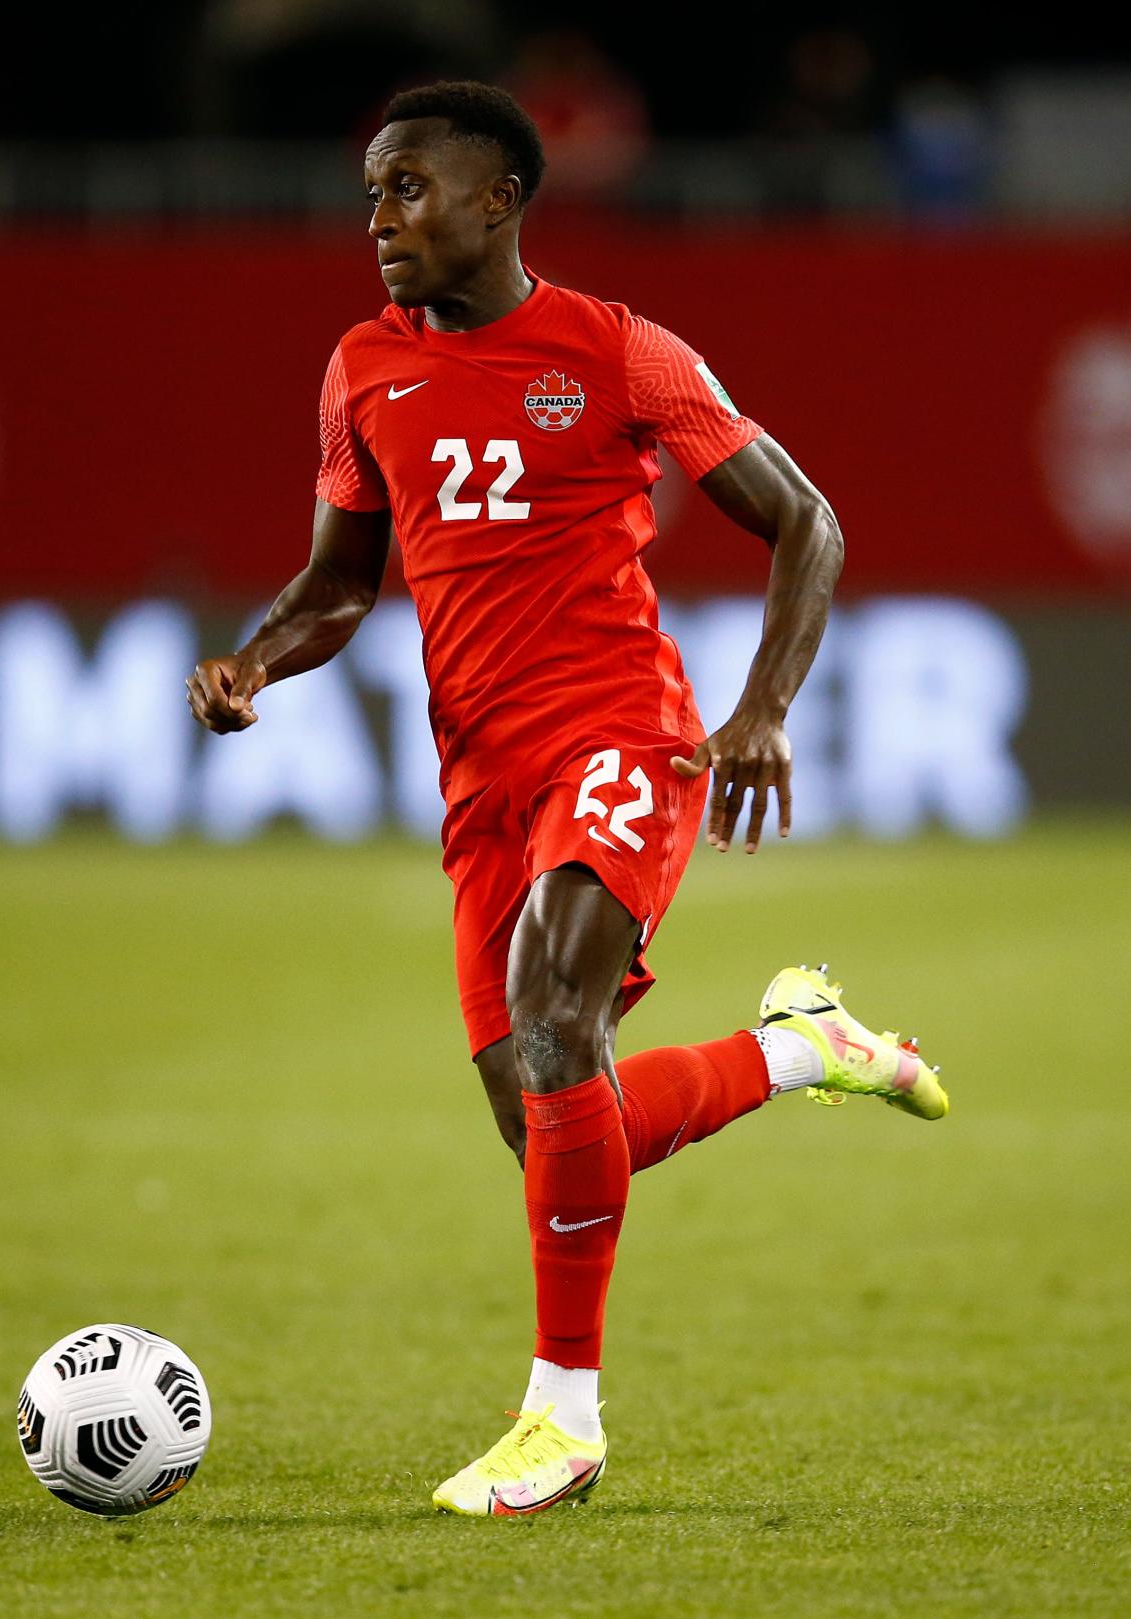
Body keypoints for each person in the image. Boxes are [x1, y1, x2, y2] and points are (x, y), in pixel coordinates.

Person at [187, 80, 948, 1518]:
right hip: (478, 769)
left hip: (617, 732)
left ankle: (562, 1421)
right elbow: (344, 582)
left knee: (553, 1022)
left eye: (408, 186)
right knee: (538, 1109)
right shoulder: (361, 367)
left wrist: (761, 711)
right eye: (369, 193)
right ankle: (794, 1051)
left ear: (499, 198)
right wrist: (252, 662)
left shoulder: (614, 352)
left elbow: (806, 519)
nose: (380, 218)